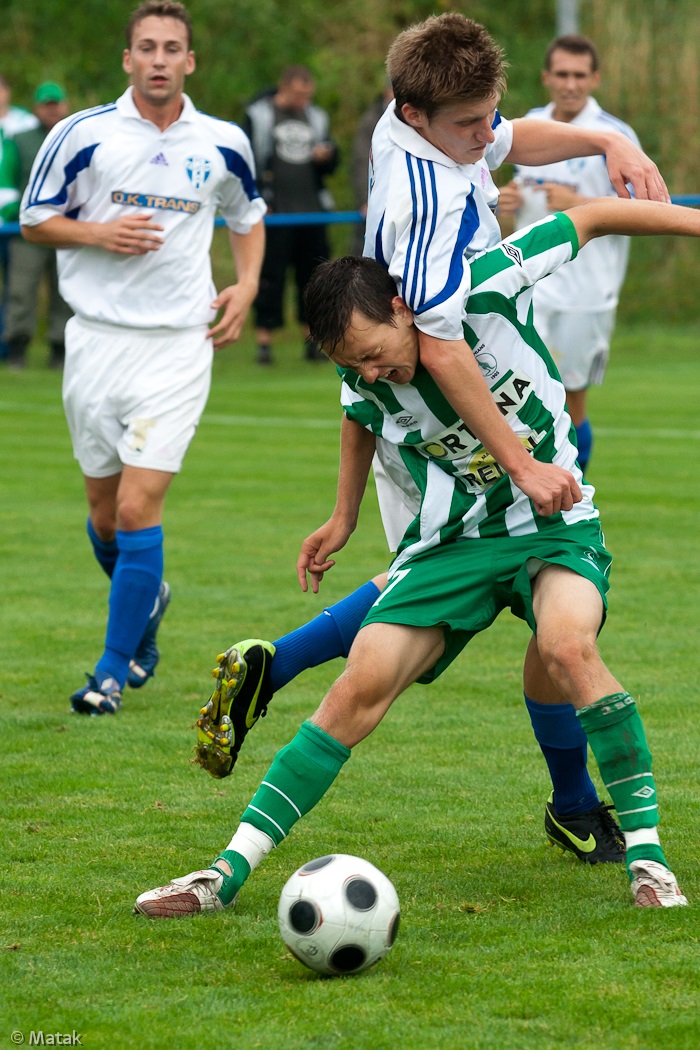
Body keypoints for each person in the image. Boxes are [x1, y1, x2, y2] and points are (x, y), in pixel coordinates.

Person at [134, 194, 700, 918]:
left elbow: (589, 218)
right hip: (452, 543)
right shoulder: (362, 374)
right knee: (354, 691)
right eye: (350, 364)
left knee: (567, 648)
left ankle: (649, 862)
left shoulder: (486, 284)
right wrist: (342, 516)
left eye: (372, 355)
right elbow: (357, 416)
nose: (368, 373)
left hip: (552, 525)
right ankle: (220, 874)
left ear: (404, 307)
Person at [191, 14, 671, 866]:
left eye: (487, 116)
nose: (488, 136)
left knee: (511, 602)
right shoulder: (427, 217)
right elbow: (436, 351)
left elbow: (510, 137)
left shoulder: (423, 122)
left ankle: (279, 660)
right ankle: (565, 802)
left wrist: (602, 139)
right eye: (471, 125)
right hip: (427, 402)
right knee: (458, 564)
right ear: (413, 115)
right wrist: (522, 462)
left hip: (413, 377)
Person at [19, 0, 266, 715]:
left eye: (173, 48)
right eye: (147, 47)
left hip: (179, 346)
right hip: (95, 341)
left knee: (136, 507)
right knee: (103, 516)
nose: (159, 59)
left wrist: (245, 285)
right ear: (128, 59)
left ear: (191, 61)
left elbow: (248, 218)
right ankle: (146, 600)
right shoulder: (81, 133)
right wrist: (98, 234)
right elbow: (35, 222)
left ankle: (110, 670)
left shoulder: (223, 140)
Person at [497, 35, 640, 473]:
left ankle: (577, 493)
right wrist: (503, 204)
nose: (570, 84)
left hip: (587, 292)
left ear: (594, 79)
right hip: (528, 286)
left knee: (571, 398)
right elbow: (509, 223)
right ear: (546, 77)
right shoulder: (529, 129)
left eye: (580, 75)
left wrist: (576, 201)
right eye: (562, 74)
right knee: (521, 394)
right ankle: (529, 492)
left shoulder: (615, 135)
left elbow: (641, 213)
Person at [243, 65, 339, 365]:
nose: (304, 100)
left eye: (308, 95)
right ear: (284, 88)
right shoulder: (259, 116)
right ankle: (264, 344)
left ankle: (311, 341)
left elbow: (331, 164)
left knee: (311, 277)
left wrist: (328, 155)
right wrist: (258, 197)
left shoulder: (315, 116)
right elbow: (245, 159)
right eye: (299, 94)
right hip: (275, 212)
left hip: (311, 210)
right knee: (270, 276)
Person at [4, 82, 72, 369]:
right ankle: (17, 347)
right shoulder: (20, 139)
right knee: (22, 289)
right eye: (47, 104)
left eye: (56, 103)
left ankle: (60, 348)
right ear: (36, 108)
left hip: (66, 227)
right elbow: (7, 177)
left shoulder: (75, 135)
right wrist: (11, 211)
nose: (52, 109)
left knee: (65, 291)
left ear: (65, 105)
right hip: (28, 228)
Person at [349, 79, 393, 257]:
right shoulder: (372, 120)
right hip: (374, 199)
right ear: (387, 91)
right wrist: (365, 199)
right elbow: (360, 160)